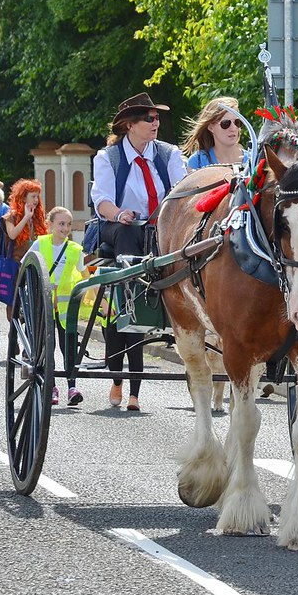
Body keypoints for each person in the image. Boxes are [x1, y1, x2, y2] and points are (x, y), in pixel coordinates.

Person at [91, 92, 187, 412]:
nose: (156, 122)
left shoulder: (169, 155)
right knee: (129, 232)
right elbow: (102, 201)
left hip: (159, 230)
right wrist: (120, 213)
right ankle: (131, 302)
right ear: (129, 126)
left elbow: (182, 193)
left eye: (157, 117)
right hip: (119, 228)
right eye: (149, 118)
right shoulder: (109, 157)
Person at [27, 207, 87, 407]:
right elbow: (26, 267)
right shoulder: (39, 244)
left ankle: (72, 386)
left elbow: (84, 275)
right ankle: (51, 385)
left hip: (65, 304)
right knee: (47, 347)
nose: (66, 228)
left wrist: (98, 298)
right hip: (43, 303)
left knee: (68, 346)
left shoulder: (75, 249)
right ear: (50, 224)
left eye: (69, 224)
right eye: (61, 223)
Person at [182, 96, 247, 171]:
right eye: (225, 123)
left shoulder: (253, 159)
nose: (233, 128)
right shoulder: (198, 161)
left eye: (237, 122)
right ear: (211, 127)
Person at [4, 179, 48, 261]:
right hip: (17, 264)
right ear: (23, 198)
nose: (36, 200)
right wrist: (26, 217)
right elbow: (12, 235)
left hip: (35, 262)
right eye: (33, 196)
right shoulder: (11, 216)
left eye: (37, 197)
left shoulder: (37, 216)